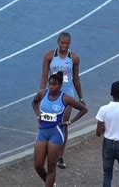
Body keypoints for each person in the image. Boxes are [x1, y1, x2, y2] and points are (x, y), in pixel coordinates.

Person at [32, 72, 87, 187]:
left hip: (56, 133)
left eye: (54, 85)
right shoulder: (42, 94)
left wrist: (70, 121)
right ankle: (51, 183)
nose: (51, 87)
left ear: (60, 86)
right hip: (42, 132)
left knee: (51, 166)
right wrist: (38, 115)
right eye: (50, 84)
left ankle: (49, 183)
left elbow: (83, 109)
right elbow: (34, 102)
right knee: (38, 165)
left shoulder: (65, 98)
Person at [39, 32, 84, 169]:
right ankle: (46, 148)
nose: (64, 45)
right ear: (58, 42)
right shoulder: (49, 56)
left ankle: (60, 156)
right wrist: (42, 91)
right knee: (48, 120)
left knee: (63, 124)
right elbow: (44, 75)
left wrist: (80, 96)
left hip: (67, 94)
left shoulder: (74, 58)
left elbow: (76, 77)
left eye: (67, 43)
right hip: (52, 93)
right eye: (62, 43)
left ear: (70, 44)